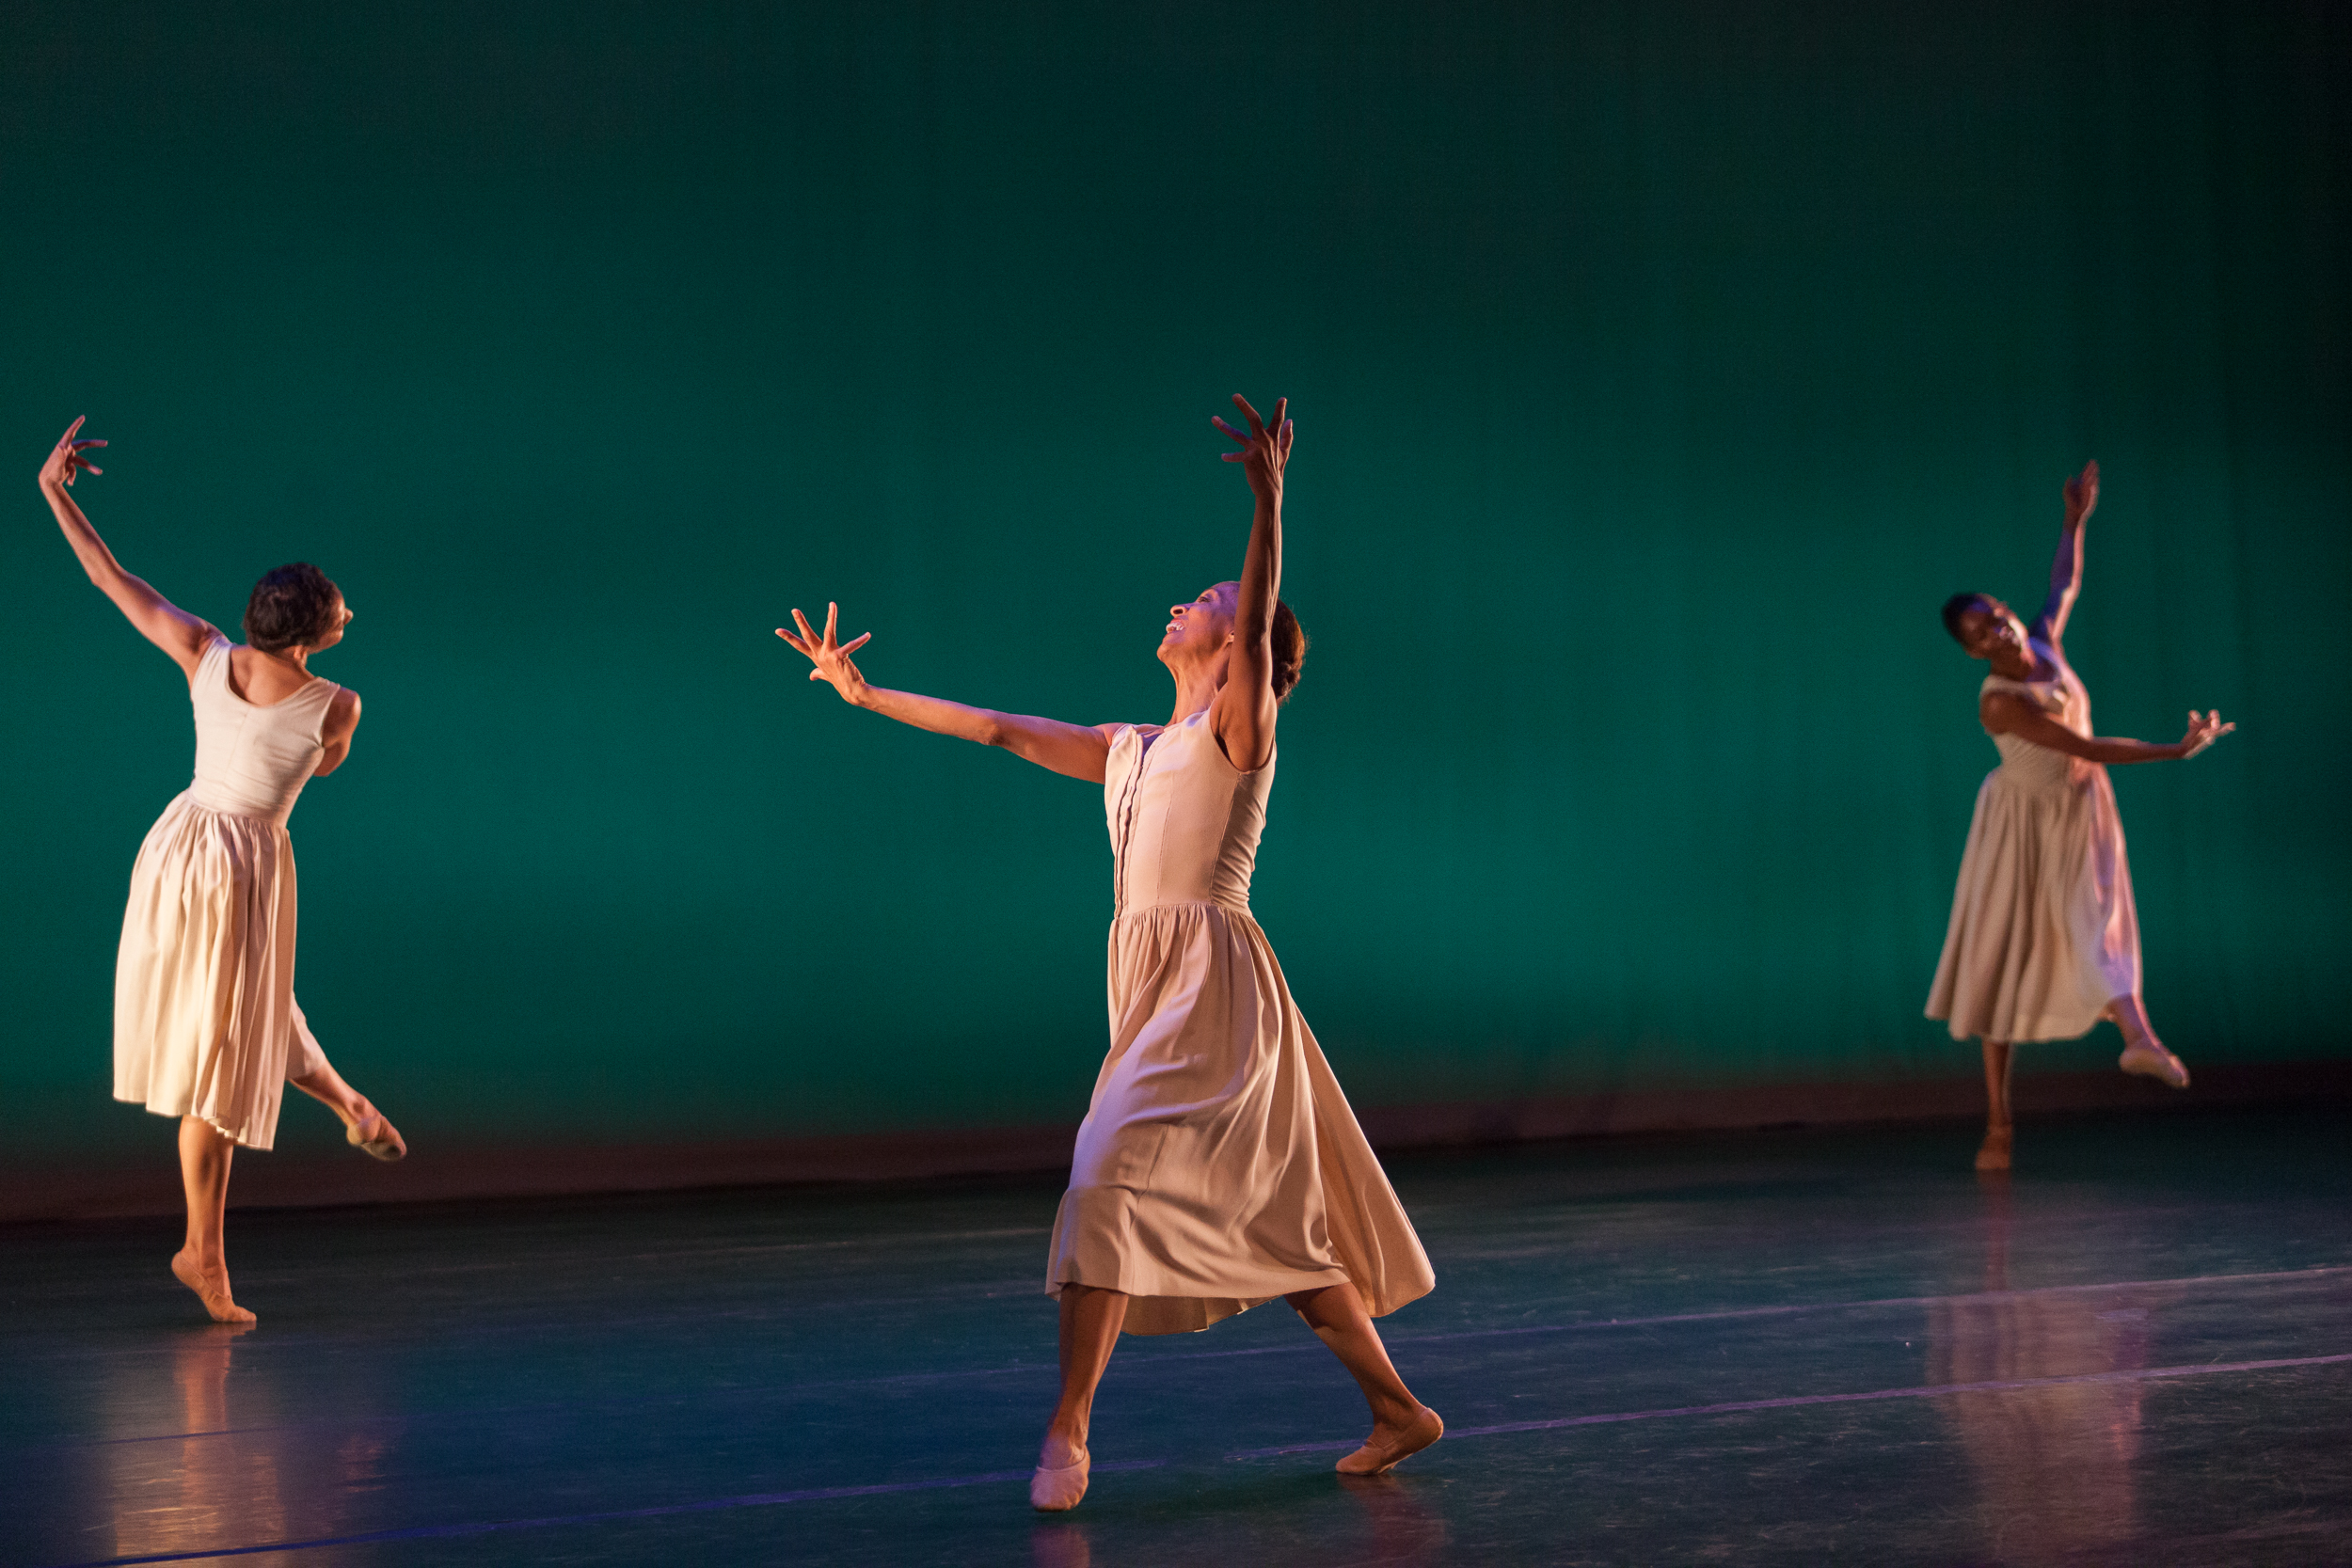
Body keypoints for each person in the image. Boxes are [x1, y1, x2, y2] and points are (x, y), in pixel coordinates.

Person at [778, 395, 1439, 1513]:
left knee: (1102, 1172)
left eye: (1209, 599)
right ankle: (1398, 1406)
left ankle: (1069, 1426)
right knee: (1271, 1219)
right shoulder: (1132, 748)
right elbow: (992, 725)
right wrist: (861, 691)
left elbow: (1262, 596)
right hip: (1150, 987)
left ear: (1239, 647)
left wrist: (1269, 501)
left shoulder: (1242, 733)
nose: (1186, 600)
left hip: (1216, 992)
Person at [38, 418, 405, 1324]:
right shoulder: (338, 703)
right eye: (342, 606)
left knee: (250, 1011)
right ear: (316, 629)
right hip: (240, 863)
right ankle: (203, 1252)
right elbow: (323, 764)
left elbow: (109, 577)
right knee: (219, 1056)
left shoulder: (204, 652)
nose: (349, 611)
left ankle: (350, 1103)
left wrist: (55, 490)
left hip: (180, 845)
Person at [1928, 460, 2233, 1171]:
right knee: (2001, 966)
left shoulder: (2041, 642)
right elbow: (2085, 744)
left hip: (2081, 810)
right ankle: (1999, 1124)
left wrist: (2074, 519)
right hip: (2021, 824)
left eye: (1997, 614)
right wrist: (2173, 750)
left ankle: (2142, 1040)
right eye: (1983, 633)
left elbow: (2063, 583)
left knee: (2101, 922)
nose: (2000, 631)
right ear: (1972, 651)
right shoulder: (2000, 700)